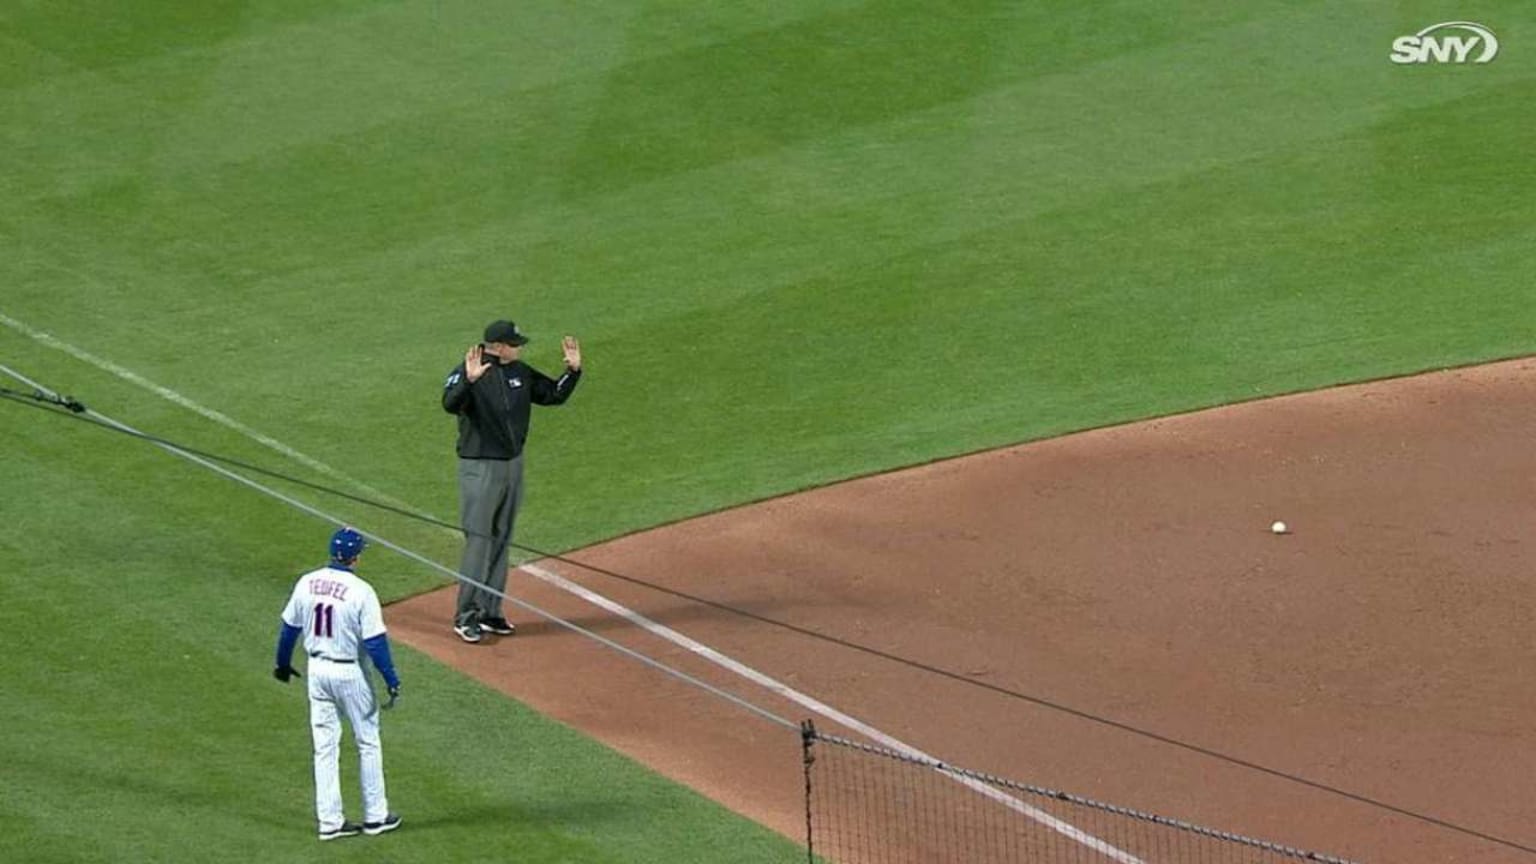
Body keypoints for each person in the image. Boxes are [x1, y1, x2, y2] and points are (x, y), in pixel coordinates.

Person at [441, 319, 583, 643]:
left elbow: (552, 395)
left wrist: (572, 373)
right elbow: (449, 404)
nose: (519, 347)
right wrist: (469, 382)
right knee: (479, 540)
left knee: (502, 536)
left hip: (513, 465)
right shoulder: (471, 368)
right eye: (515, 343)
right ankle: (466, 616)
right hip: (481, 467)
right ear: (499, 346)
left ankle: (491, 610)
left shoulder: (519, 371)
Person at [273, 527, 402, 841]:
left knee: (325, 748)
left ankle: (330, 822)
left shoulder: (307, 582)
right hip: (350, 673)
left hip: (317, 671)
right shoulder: (362, 591)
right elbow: (374, 643)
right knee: (367, 740)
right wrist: (391, 679)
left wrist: (282, 663)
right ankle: (375, 816)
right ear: (355, 557)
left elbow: (290, 628)